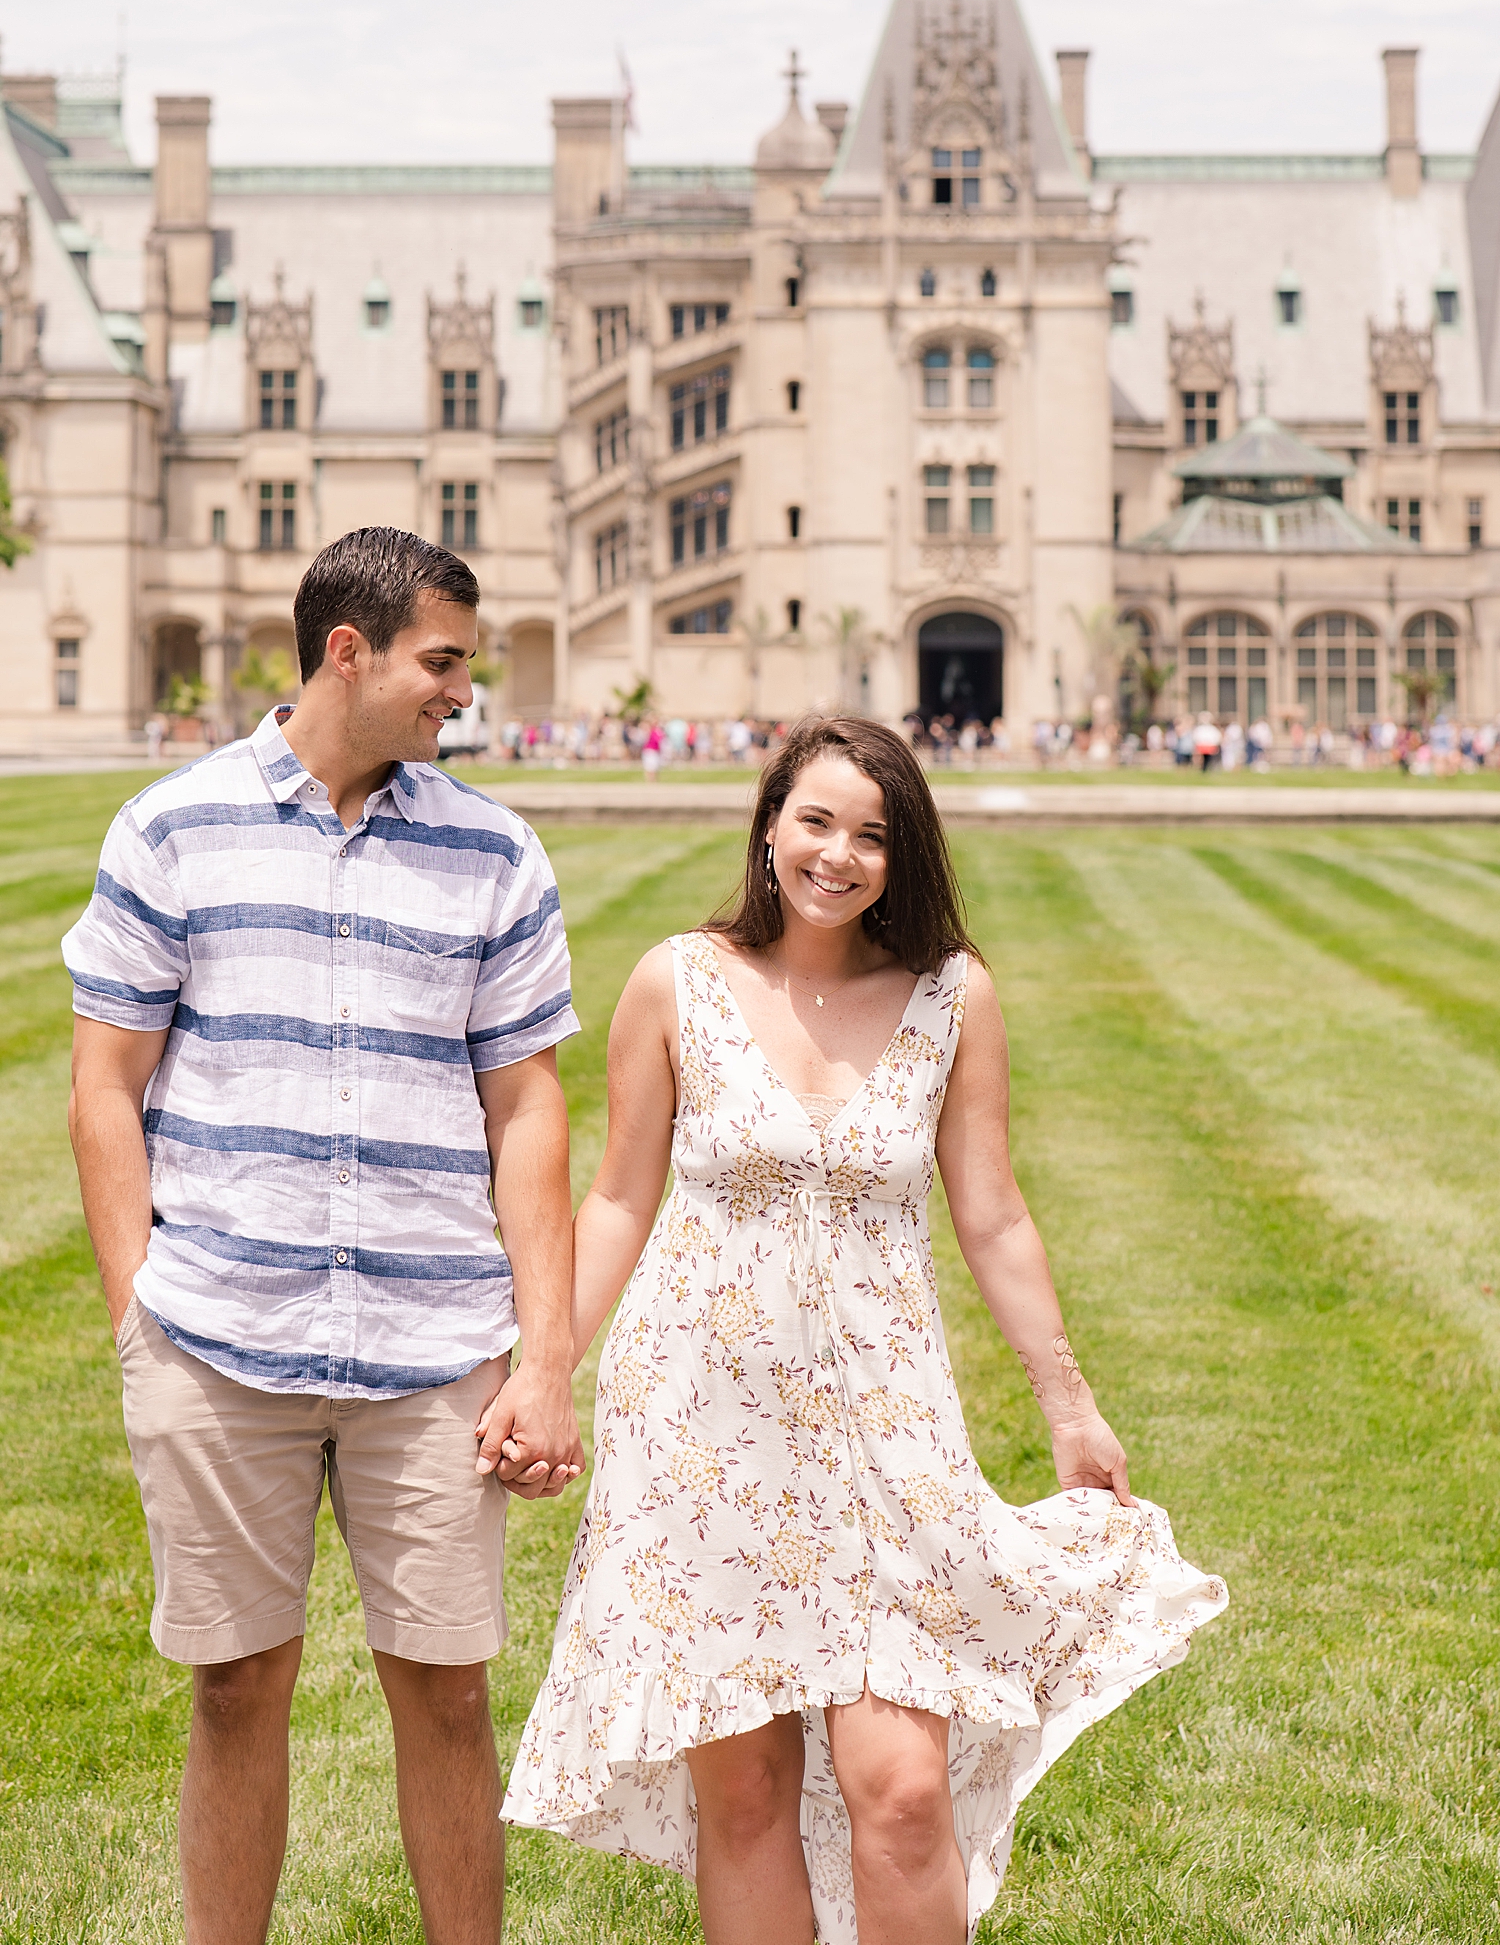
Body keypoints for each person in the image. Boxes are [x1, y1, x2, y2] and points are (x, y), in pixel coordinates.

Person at [504, 715, 1226, 1944]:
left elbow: (991, 1215)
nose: (838, 855)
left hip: (888, 1434)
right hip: (699, 1428)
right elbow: (620, 1196)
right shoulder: (675, 980)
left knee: (899, 1791)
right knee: (745, 1801)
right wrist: (545, 1373)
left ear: (906, 855)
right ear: (770, 824)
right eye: (817, 821)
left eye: (873, 835)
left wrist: (1069, 1403)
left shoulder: (953, 996)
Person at [64, 526, 585, 1945]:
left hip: (434, 1346)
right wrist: (140, 1311)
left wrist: (546, 1359)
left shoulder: (493, 849)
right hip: (222, 1336)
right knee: (235, 1687)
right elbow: (103, 1085)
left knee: (451, 1691)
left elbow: (528, 1111)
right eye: (442, 659)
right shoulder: (171, 828)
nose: (460, 692)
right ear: (346, 650)